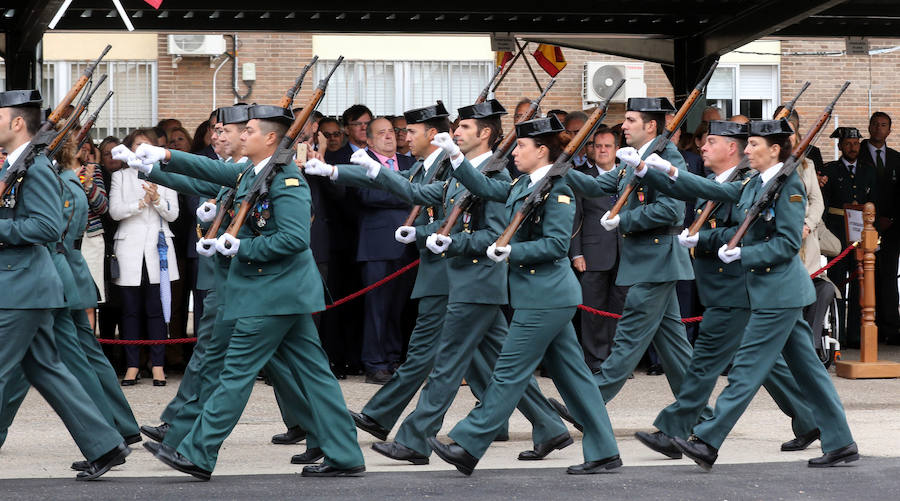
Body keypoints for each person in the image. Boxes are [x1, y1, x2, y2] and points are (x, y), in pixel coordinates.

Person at [134, 104, 364, 480]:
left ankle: (198, 452)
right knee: (316, 376)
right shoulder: (250, 171)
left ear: (270, 138)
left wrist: (242, 247)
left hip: (273, 293)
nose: (241, 135)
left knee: (236, 372)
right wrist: (163, 157)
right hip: (277, 293)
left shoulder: (287, 180)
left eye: (250, 131)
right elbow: (210, 171)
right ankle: (344, 452)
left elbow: (293, 238)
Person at [338, 100, 572, 465]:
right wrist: (372, 170)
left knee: (447, 363)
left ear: (486, 134)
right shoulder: (459, 174)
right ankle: (548, 425)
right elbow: (418, 193)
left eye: (464, 128)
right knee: (498, 362)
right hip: (466, 281)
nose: (455, 133)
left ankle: (415, 440)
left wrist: (451, 241)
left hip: (478, 279)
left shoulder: (494, 178)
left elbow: (494, 235)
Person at [638, 118, 858, 470]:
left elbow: (787, 244)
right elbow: (717, 191)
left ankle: (708, 440)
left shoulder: (789, 188)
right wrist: (667, 171)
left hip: (779, 294)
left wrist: (744, 254)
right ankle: (842, 442)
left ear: (775, 150)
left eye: (754, 144)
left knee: (745, 371)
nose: (748, 150)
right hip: (769, 292)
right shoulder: (757, 183)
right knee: (812, 375)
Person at [427, 114, 621, 475]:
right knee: (575, 379)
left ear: (541, 151)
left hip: (547, 296)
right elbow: (485, 187)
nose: (514, 151)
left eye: (521, 146)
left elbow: (557, 244)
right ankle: (604, 451)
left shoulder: (558, 188)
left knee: (508, 372)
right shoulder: (525, 183)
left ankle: (468, 445)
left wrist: (513, 251)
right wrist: (455, 157)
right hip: (540, 296)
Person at [304, 102, 459, 442]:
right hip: (423, 264)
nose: (403, 138)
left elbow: (419, 194)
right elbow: (404, 185)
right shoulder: (423, 166)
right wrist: (334, 171)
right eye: (394, 133)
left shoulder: (449, 167)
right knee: (478, 356)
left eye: (410, 132)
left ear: (433, 135)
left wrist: (419, 229)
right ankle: (383, 413)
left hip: (455, 273)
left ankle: (396, 424)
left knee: (441, 354)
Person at [0, 88, 130, 479]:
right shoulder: (14, 165)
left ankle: (105, 443)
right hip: (24, 288)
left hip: (21, 289)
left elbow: (46, 226)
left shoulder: (35, 167)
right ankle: (104, 446)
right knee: (48, 370)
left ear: (18, 122)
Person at [550, 98, 698, 422]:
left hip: (656, 261)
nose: (624, 126)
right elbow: (595, 185)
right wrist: (560, 169)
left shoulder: (666, 157)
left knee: (626, 340)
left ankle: (585, 405)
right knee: (676, 354)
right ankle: (701, 420)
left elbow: (672, 211)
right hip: (649, 262)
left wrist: (624, 221)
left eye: (630, 120)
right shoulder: (633, 159)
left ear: (651, 126)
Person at [109, 128, 180, 386]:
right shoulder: (120, 176)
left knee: (157, 309)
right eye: (136, 145)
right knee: (130, 311)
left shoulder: (166, 175)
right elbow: (115, 212)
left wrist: (157, 199)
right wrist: (139, 203)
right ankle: (132, 365)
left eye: (145, 145)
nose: (140, 150)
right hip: (129, 249)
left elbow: (173, 215)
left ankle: (158, 365)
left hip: (158, 249)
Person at [353, 117, 416, 383]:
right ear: (368, 140)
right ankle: (374, 363)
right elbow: (369, 196)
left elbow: (423, 192)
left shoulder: (411, 163)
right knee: (377, 309)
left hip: (408, 247)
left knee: (397, 309)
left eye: (391, 131)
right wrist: (408, 193)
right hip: (377, 247)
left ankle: (392, 359)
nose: (389, 136)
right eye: (381, 133)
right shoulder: (362, 162)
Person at [570, 126, 627, 370]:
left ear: (617, 150)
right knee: (593, 311)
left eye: (608, 146)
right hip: (592, 254)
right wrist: (576, 252)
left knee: (620, 310)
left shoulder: (629, 175)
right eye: (598, 146)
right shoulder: (582, 177)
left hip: (626, 254)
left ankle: (615, 363)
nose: (602, 150)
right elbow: (575, 217)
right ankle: (595, 360)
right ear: (592, 149)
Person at [821, 127, 876, 347]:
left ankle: (855, 334)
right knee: (837, 282)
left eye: (856, 143)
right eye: (848, 144)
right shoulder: (830, 170)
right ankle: (838, 334)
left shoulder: (868, 171)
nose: (853, 147)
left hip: (862, 232)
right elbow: (824, 204)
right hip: (838, 231)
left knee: (860, 282)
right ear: (840, 146)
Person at [857, 111, 900, 344]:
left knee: (889, 277)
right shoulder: (856, 153)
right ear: (869, 127)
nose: (879, 129)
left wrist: (890, 218)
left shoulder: (896, 158)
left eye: (884, 125)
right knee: (862, 277)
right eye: (875, 124)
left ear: (889, 130)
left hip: (891, 227)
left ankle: (891, 328)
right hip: (862, 227)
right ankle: (860, 330)